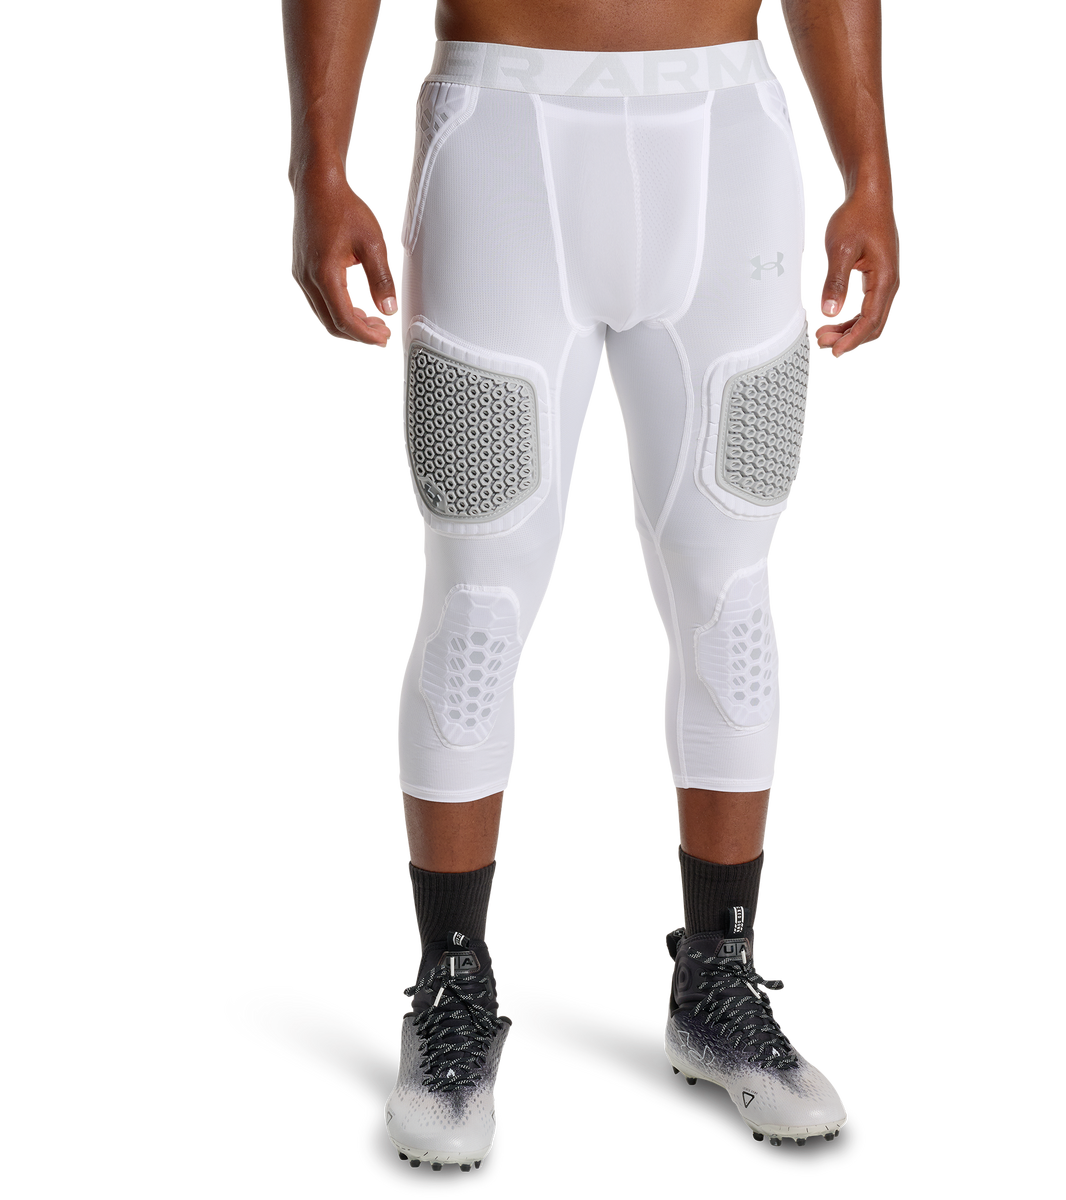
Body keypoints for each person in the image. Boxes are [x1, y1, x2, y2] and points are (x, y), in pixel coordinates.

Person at [281, 0, 901, 1173]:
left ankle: (717, 981)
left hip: (729, 136)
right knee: (479, 593)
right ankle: (451, 986)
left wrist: (867, 171)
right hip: (502, 132)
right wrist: (319, 169)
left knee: (730, 590)